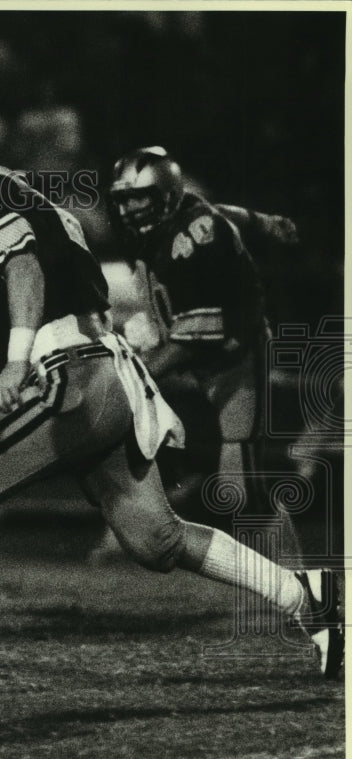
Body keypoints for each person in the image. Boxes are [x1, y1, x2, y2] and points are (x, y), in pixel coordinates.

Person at [0, 121, 342, 692]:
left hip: (79, 376)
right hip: (104, 374)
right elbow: (10, 325)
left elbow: (23, 272)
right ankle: (309, 597)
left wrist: (20, 362)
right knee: (155, 540)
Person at [109, 146, 303, 560]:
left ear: (165, 194)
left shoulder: (191, 240)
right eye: (124, 199)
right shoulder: (185, 217)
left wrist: (141, 373)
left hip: (234, 355)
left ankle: (299, 581)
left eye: (139, 197)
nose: (130, 209)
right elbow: (228, 212)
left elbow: (193, 340)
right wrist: (267, 223)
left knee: (239, 487)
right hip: (201, 354)